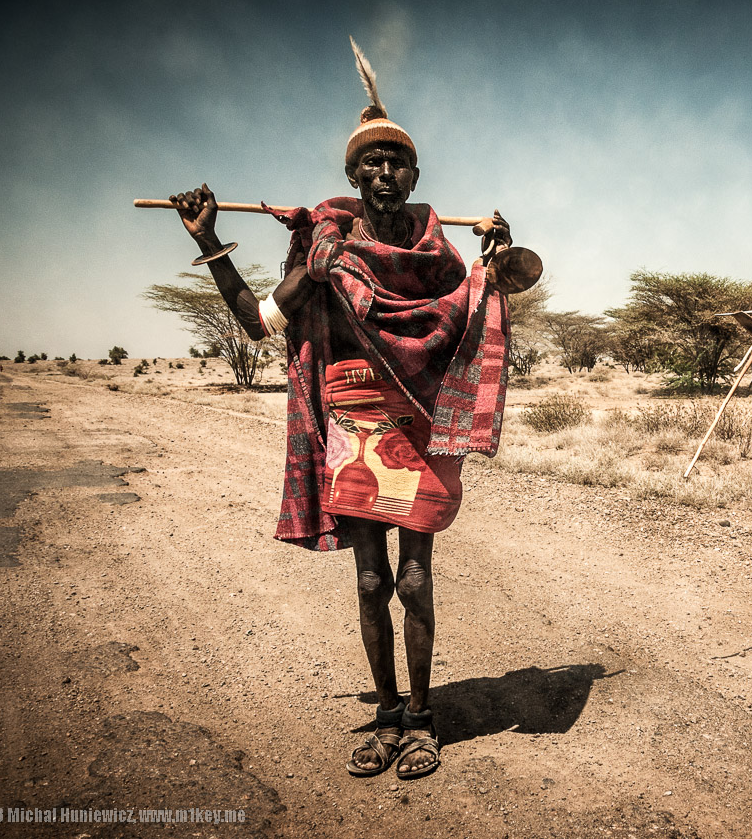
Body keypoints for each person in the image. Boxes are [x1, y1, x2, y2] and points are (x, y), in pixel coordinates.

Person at [168, 41, 517, 779]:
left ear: (414, 176)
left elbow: (469, 314)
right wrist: (208, 241)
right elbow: (257, 317)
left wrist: (495, 261)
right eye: (372, 163)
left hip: (421, 424)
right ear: (353, 176)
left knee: (416, 577)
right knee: (369, 579)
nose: (385, 172)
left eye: (397, 162)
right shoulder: (325, 243)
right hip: (352, 422)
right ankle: (388, 718)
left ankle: (423, 720)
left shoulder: (441, 254)